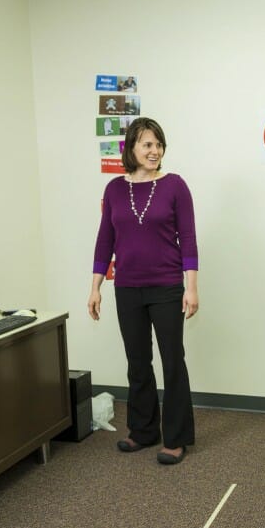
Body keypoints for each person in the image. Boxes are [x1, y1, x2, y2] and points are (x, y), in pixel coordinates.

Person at [88, 117, 199, 465]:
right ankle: (143, 431)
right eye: (147, 144)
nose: (154, 151)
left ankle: (176, 438)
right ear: (131, 149)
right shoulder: (114, 189)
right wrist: (95, 288)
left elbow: (190, 240)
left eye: (158, 144)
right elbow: (105, 241)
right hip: (127, 288)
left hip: (166, 286)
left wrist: (191, 287)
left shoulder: (175, 186)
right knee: (138, 362)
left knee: (172, 362)